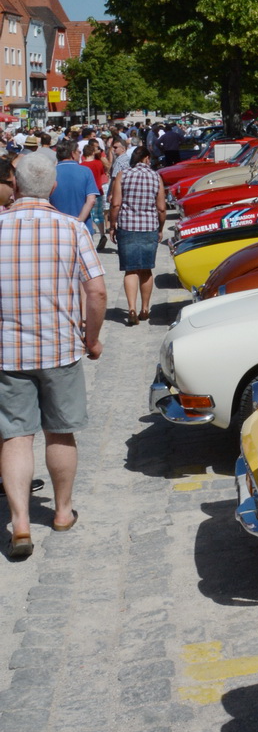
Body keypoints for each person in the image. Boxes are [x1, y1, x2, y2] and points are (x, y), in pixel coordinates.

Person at [0, 149, 105, 557]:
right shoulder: (71, 229)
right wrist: (92, 339)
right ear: (54, 186)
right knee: (60, 431)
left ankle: (21, 522)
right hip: (59, 348)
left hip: (7, 354)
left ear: (16, 181)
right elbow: (96, 290)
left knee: (15, 436)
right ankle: (62, 513)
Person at [108, 145, 167, 324]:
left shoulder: (122, 175)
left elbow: (116, 204)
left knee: (130, 269)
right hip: (149, 226)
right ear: (147, 159)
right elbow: (162, 208)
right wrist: (160, 228)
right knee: (146, 269)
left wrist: (112, 225)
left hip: (127, 227)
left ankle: (131, 308)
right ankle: (145, 308)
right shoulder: (156, 177)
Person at [50, 141, 99, 231]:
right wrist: (79, 221)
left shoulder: (50, 172)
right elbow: (91, 200)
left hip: (56, 226)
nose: (80, 155)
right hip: (82, 227)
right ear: (72, 154)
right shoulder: (85, 171)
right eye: (79, 152)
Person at [80, 138, 110, 250]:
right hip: (99, 191)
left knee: (89, 215)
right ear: (93, 152)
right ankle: (102, 234)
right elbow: (103, 172)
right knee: (99, 215)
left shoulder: (82, 165)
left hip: (87, 193)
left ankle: (90, 237)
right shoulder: (98, 163)